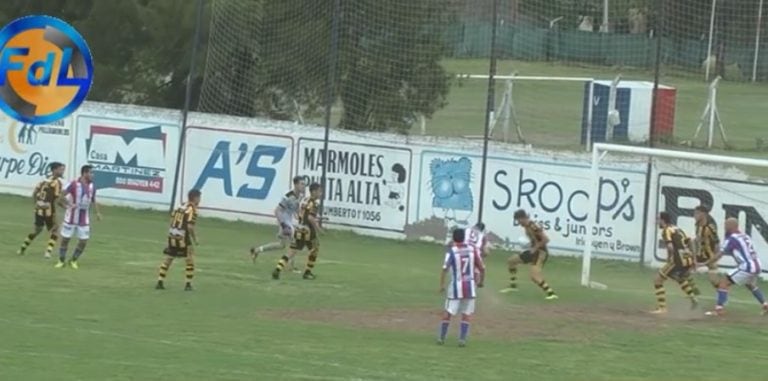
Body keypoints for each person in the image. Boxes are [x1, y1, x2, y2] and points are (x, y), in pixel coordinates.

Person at [705, 218, 768, 316]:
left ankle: (719, 310)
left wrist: (708, 263)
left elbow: (720, 254)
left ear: (732, 226)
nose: (725, 227)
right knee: (750, 284)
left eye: (726, 225)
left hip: (747, 267)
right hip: (756, 265)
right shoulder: (745, 236)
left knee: (723, 283)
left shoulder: (732, 238)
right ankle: (765, 305)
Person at [437, 228, 485, 347]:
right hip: (470, 286)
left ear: (453, 238)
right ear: (464, 237)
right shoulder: (472, 249)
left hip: (455, 287)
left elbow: (445, 269)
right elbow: (482, 268)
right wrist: (481, 282)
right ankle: (462, 339)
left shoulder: (452, 251)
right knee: (466, 313)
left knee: (448, 312)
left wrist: (442, 285)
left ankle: (442, 338)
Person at [250, 176, 306, 273]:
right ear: (296, 185)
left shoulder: (300, 196)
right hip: (284, 221)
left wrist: (299, 216)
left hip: (289, 220)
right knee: (296, 242)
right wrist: (283, 225)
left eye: (304, 184)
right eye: (302, 184)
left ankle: (257, 250)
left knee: (281, 245)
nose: (304, 186)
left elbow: (295, 210)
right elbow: (277, 211)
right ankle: (291, 267)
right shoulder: (288, 196)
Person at [499, 209, 557, 300]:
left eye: (518, 220)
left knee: (534, 276)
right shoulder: (526, 227)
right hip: (533, 251)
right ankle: (513, 286)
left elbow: (546, 240)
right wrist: (529, 246)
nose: (518, 223)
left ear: (523, 218)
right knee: (511, 261)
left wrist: (535, 248)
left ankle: (551, 293)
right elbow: (535, 240)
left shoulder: (533, 226)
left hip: (541, 253)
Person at [272, 182, 323, 280]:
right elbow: (310, 218)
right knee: (315, 249)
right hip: (308, 230)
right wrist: (319, 229)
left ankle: (278, 269)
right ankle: (307, 272)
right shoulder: (314, 203)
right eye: (319, 191)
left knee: (291, 251)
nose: (320, 194)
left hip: (299, 228)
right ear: (314, 191)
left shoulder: (304, 200)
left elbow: (301, 213)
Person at [651, 212, 698, 314]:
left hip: (677, 260)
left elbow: (670, 247)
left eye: (658, 219)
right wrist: (693, 259)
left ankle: (662, 308)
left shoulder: (666, 230)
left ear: (663, 220)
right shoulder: (677, 229)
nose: (656, 222)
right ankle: (693, 297)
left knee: (657, 281)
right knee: (678, 277)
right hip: (687, 258)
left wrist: (669, 258)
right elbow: (690, 242)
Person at [56, 165, 101, 269]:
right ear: (84, 173)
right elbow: (60, 197)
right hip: (71, 217)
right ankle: (61, 260)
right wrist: (68, 205)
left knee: (83, 241)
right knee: (65, 239)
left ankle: (73, 260)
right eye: (91, 173)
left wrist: (97, 213)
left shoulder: (92, 186)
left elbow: (93, 199)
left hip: (83, 218)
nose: (92, 175)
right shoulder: (74, 184)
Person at [17, 162, 66, 258]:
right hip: (49, 210)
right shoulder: (57, 183)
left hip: (39, 210)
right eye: (61, 169)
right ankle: (48, 252)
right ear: (54, 170)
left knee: (36, 231)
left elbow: (34, 193)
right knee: (55, 230)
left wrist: (36, 204)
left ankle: (22, 248)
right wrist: (67, 206)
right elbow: (57, 199)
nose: (62, 171)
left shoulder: (44, 180)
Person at [156, 189, 202, 291]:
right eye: (199, 198)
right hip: (182, 236)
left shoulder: (180, 205)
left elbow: (172, 219)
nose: (200, 200)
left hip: (173, 234)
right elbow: (190, 227)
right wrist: (195, 239)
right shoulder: (192, 209)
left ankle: (160, 281)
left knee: (169, 258)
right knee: (189, 259)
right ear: (195, 198)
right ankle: (188, 285)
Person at [693, 205, 720, 290]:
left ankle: (722, 296)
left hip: (709, 256)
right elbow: (697, 240)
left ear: (703, 214)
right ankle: (693, 296)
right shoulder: (697, 225)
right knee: (683, 273)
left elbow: (717, 243)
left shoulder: (710, 227)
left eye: (697, 213)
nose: (694, 215)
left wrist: (715, 258)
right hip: (699, 254)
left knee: (714, 281)